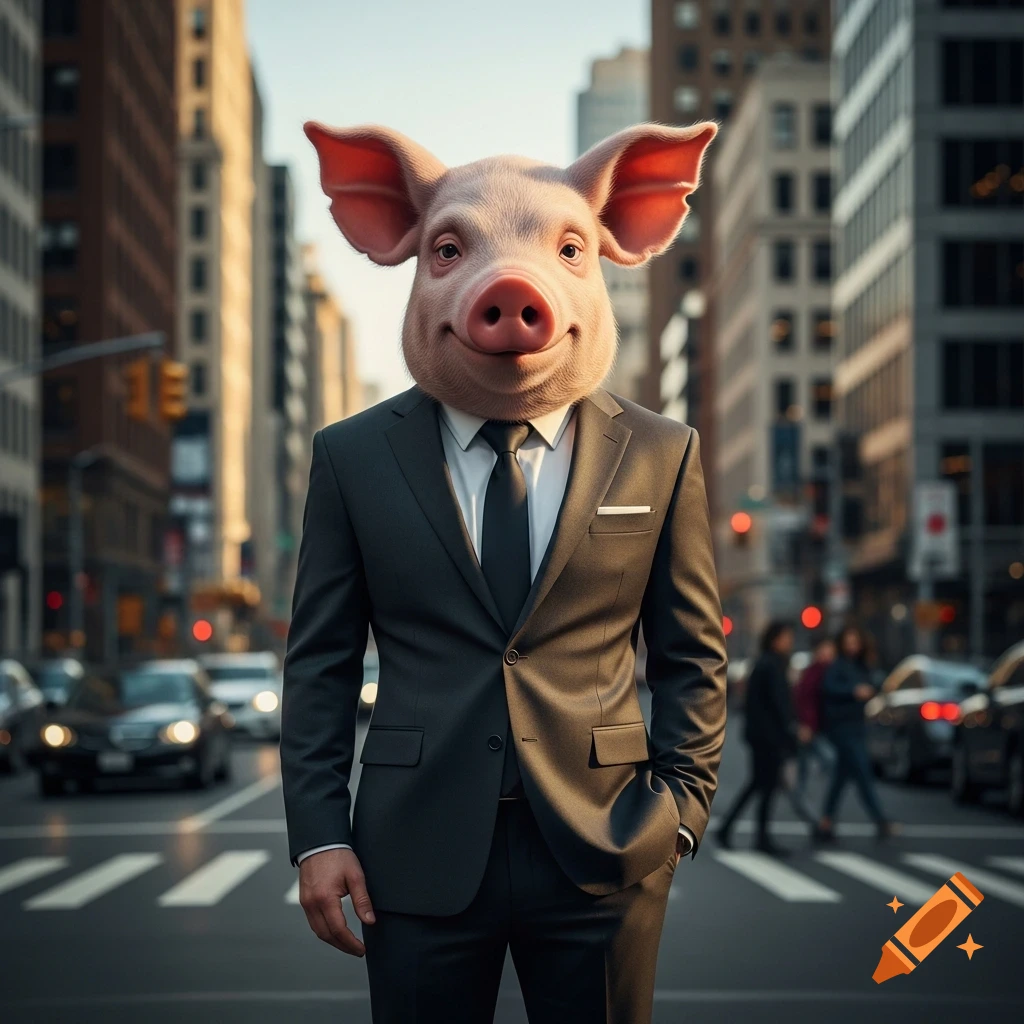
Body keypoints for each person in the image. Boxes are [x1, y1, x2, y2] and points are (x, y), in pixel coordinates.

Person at [282, 119, 727, 1023]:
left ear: (618, 239)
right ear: (397, 240)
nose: (508, 290)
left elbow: (692, 652)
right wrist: (319, 836)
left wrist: (679, 810)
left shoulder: (660, 452)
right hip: (412, 850)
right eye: (451, 248)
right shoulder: (352, 457)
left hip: (605, 844)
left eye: (566, 246)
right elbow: (320, 664)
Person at [716, 621, 799, 856]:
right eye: (786, 637)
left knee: (759, 784)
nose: (789, 642)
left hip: (761, 735)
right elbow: (779, 703)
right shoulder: (771, 665)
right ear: (775, 639)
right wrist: (790, 728)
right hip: (768, 737)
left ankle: (730, 829)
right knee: (765, 786)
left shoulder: (765, 663)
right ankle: (760, 837)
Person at [814, 625, 895, 842]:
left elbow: (875, 684)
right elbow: (829, 689)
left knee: (841, 777)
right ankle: (880, 820)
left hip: (857, 726)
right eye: (848, 642)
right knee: (862, 773)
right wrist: (853, 691)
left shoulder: (861, 666)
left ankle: (826, 821)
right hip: (842, 727)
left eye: (855, 642)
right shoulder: (837, 666)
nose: (852, 646)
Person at [792, 637, 837, 803]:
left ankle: (802, 797)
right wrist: (805, 725)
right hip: (811, 728)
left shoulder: (831, 671)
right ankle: (802, 798)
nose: (828, 654)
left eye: (831, 650)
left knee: (809, 766)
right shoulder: (813, 672)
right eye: (825, 649)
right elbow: (804, 700)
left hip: (821, 727)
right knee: (827, 761)